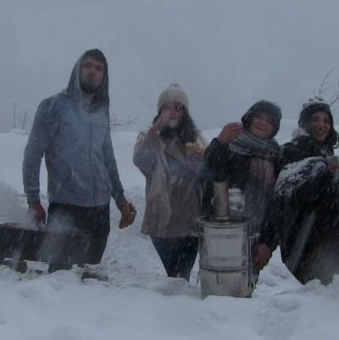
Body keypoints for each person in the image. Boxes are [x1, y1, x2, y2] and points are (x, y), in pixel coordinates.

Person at [22, 48, 137, 272]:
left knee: (89, 277)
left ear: (104, 76)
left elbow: (108, 158)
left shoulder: (101, 110)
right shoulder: (53, 106)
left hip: (99, 211)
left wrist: (120, 198)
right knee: (62, 280)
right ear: (77, 70)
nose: (92, 72)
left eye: (98, 68)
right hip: (66, 208)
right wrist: (33, 200)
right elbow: (32, 155)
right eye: (87, 66)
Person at [255, 99, 339, 284]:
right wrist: (267, 241)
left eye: (326, 121)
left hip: (334, 240)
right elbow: (285, 199)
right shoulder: (291, 152)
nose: (322, 125)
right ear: (305, 123)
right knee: (314, 300)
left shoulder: (326, 154)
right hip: (305, 241)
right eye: (316, 119)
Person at [133, 84, 208, 280]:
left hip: (191, 218)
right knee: (171, 275)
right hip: (161, 218)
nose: (173, 112)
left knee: (181, 277)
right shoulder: (149, 137)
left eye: (178, 108)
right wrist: (156, 129)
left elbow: (209, 173)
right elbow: (141, 160)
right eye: (168, 107)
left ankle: (179, 307)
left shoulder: (196, 139)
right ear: (160, 111)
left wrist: (201, 163)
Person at [204, 100, 282, 238]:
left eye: (269, 121)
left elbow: (276, 202)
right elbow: (208, 168)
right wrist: (220, 143)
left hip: (258, 233)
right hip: (225, 229)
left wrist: (267, 241)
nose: (262, 123)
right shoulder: (231, 144)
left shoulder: (275, 155)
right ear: (250, 118)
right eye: (259, 117)